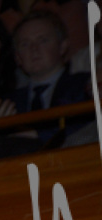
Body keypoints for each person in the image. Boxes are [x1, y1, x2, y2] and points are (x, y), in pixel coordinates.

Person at [10, 10, 94, 144]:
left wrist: (38, 135)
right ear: (17, 57)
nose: (34, 49)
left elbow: (89, 127)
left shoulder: (84, 85)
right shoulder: (9, 103)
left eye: (43, 40)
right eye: (25, 44)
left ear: (62, 46)